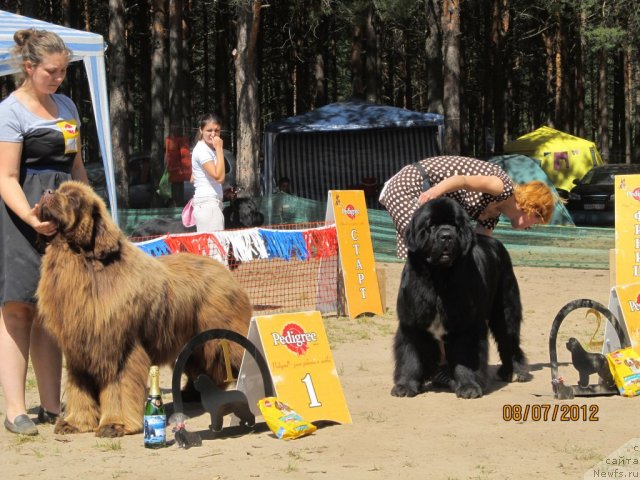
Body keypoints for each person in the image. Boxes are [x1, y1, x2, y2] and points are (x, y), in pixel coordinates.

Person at [0, 29, 89, 435]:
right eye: (51, 71)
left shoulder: (67, 105)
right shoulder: (10, 111)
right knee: (18, 309)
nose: (58, 78)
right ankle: (16, 410)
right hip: (21, 218)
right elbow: (6, 176)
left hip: (65, 221)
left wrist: (87, 212)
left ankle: (52, 406)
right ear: (30, 67)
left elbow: (76, 169)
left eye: (63, 71)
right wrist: (32, 218)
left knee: (52, 313)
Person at [380, 155, 555, 259]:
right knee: (429, 249)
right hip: (411, 186)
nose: (529, 228)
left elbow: (473, 251)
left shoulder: (491, 218)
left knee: (417, 257)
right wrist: (434, 192)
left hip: (426, 201)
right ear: (533, 208)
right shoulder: (500, 185)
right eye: (535, 222)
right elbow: (461, 180)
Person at [191, 113, 225, 232]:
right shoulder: (202, 150)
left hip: (210, 203)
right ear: (201, 130)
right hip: (208, 206)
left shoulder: (208, 149)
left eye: (217, 130)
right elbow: (219, 177)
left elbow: (193, 178)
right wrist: (220, 149)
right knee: (214, 248)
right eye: (209, 130)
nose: (213, 134)